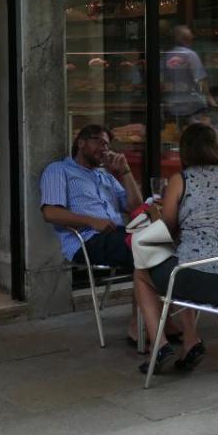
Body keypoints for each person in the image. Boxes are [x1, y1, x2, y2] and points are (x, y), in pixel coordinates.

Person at [138, 122, 218, 375]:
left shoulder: (182, 179)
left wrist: (154, 213)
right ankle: (190, 340)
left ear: (185, 150)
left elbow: (168, 229)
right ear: (216, 147)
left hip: (200, 279)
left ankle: (159, 345)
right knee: (183, 263)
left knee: (143, 272)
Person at [40, 123, 158, 346]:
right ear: (81, 142)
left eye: (107, 145)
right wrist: (92, 221)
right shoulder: (58, 170)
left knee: (161, 244)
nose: (104, 149)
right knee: (146, 249)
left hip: (116, 235)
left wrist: (125, 171)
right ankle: (139, 326)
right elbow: (50, 212)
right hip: (86, 240)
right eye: (100, 142)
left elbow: (136, 208)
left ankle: (157, 321)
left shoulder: (106, 177)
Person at [162, 25, 216, 126]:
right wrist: (210, 98)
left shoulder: (167, 55)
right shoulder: (190, 55)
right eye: (191, 39)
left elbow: (162, 79)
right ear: (186, 39)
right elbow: (201, 79)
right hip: (192, 105)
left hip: (172, 105)